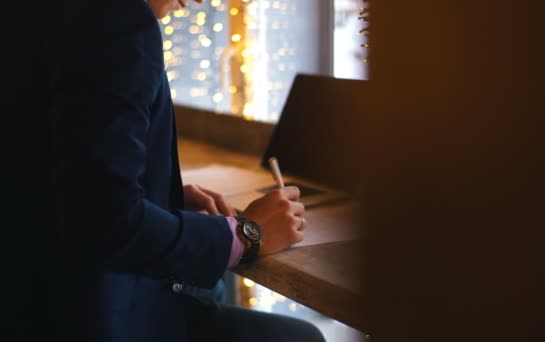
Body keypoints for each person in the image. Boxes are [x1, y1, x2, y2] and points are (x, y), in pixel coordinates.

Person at [2, 0, 325, 341]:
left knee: (213, 290)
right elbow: (105, 222)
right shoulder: (117, 21)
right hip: (83, 315)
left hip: (24, 297)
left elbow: (47, 164)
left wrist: (157, 194)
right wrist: (246, 236)